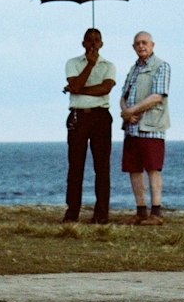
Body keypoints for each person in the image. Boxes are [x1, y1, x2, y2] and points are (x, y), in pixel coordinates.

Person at [62, 27, 116, 224]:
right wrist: (89, 67)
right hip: (78, 117)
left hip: (100, 117)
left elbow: (105, 89)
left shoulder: (109, 66)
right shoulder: (73, 63)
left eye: (96, 40)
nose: (93, 43)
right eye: (89, 39)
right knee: (75, 166)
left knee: (102, 167)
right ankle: (72, 213)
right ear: (83, 42)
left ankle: (101, 214)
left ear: (101, 43)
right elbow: (74, 85)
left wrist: (77, 88)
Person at [119, 31, 171, 224]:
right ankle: (141, 211)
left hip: (152, 127)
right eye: (137, 43)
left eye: (144, 43)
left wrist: (132, 110)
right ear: (133, 47)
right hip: (131, 129)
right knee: (134, 169)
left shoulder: (161, 66)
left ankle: (156, 213)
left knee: (153, 168)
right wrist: (126, 111)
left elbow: (158, 96)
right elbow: (123, 95)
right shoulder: (133, 69)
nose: (141, 46)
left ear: (152, 45)